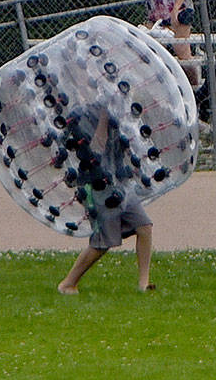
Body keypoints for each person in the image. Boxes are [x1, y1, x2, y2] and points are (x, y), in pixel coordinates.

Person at [57, 107, 155, 294]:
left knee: (144, 227)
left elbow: (126, 145)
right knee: (102, 243)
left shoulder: (117, 111)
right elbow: (95, 151)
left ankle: (144, 284)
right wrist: (102, 118)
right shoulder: (81, 115)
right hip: (97, 185)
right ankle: (68, 283)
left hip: (119, 182)